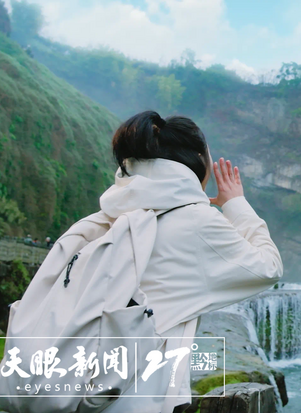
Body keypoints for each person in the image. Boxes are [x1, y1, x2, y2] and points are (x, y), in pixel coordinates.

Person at [87, 111, 282, 412]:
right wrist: (236, 205)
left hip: (83, 387)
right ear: (197, 163)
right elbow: (269, 267)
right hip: (140, 398)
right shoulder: (195, 220)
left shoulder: (108, 214)